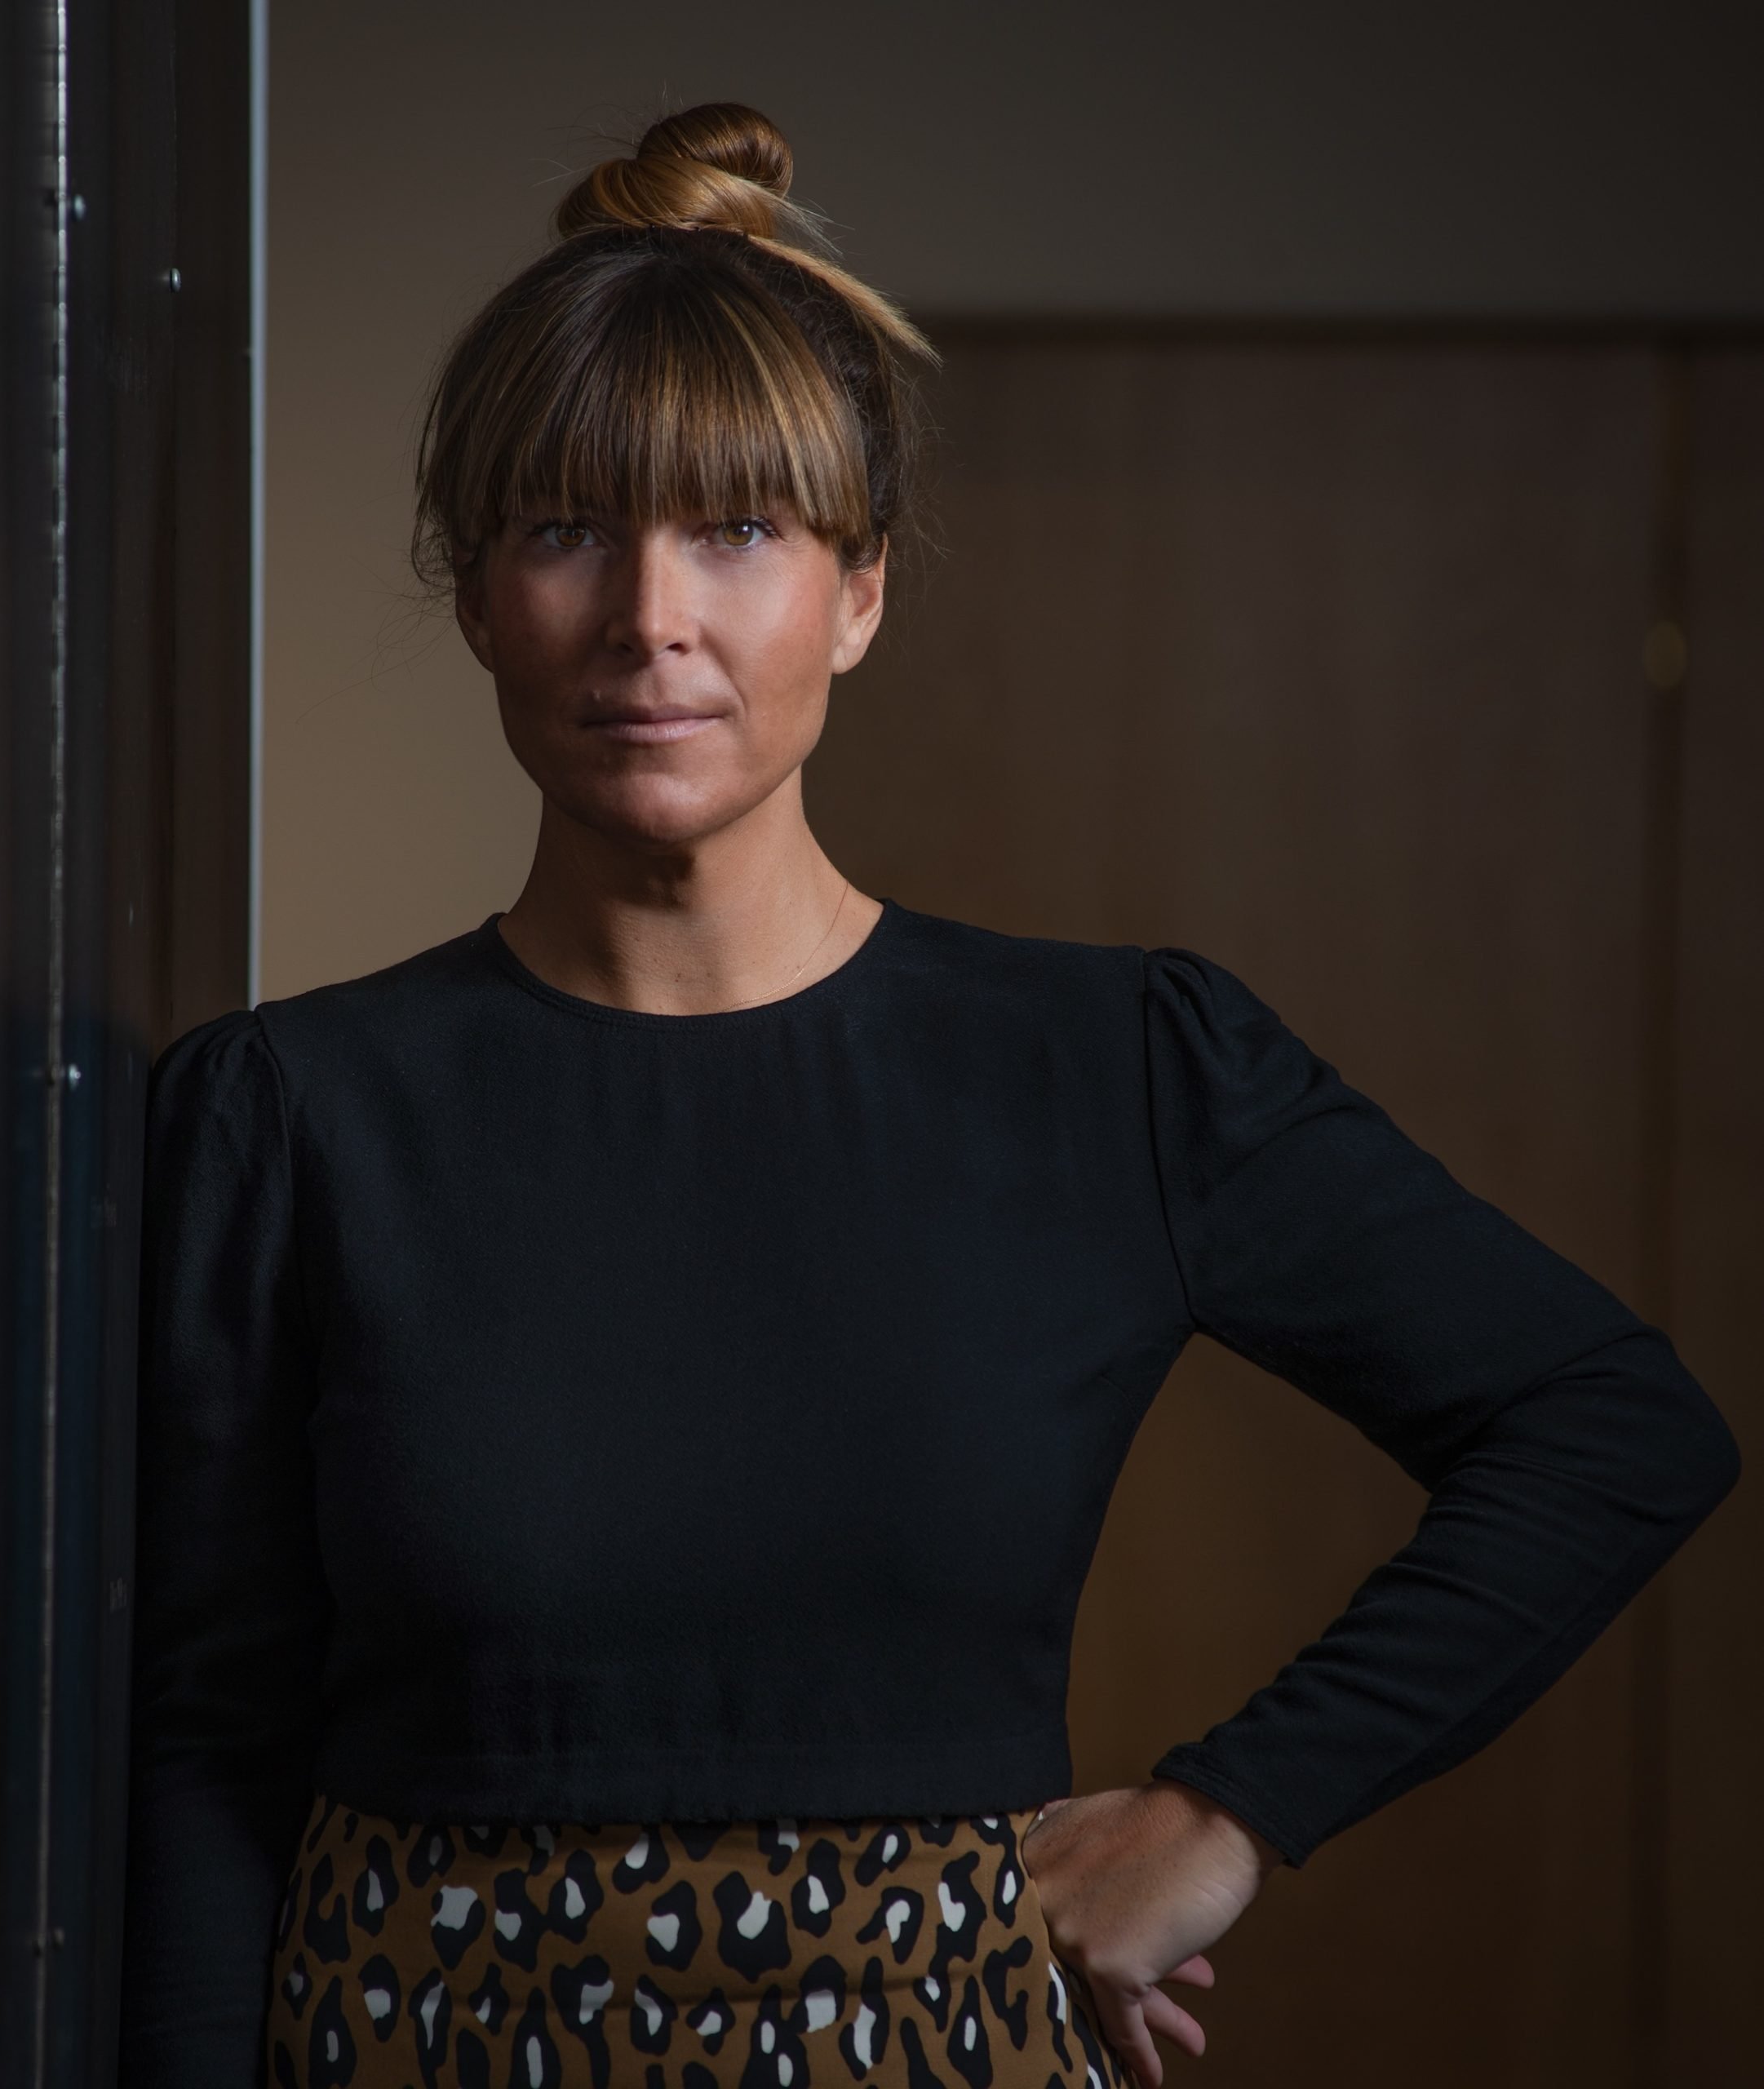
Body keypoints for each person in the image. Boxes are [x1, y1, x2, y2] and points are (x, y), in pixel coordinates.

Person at [116, 102, 1741, 2089]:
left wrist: (1228, 1812)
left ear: (859, 591)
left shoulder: (1114, 1066)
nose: (652, 618)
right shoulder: (285, 1116)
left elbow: (1610, 1426)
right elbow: (198, 1747)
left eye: (736, 530)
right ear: (475, 595)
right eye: (564, 527)